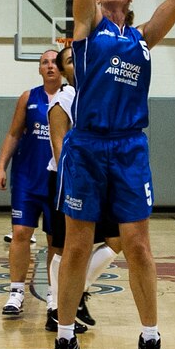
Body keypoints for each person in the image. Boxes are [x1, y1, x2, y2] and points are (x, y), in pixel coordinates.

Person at [46, 0, 175, 349]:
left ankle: (150, 341)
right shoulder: (86, 27)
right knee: (77, 247)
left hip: (129, 148)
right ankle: (64, 340)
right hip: (87, 147)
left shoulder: (144, 37)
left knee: (140, 247)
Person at [43, 43, 114, 333]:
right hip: (67, 179)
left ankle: (73, 294)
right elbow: (59, 145)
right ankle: (55, 307)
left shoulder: (94, 93)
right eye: (71, 61)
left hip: (99, 178)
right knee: (63, 248)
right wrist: (70, 180)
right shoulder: (64, 98)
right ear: (63, 71)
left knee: (117, 240)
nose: (78, 64)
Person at [0, 50, 63, 319]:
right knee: (21, 233)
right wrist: (1, 166)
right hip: (26, 179)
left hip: (57, 181)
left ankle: (54, 295)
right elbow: (13, 133)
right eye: (44, 62)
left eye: (54, 62)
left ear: (63, 69)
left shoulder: (71, 97)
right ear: (39, 69)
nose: (50, 66)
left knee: (56, 240)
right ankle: (16, 292)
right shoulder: (28, 97)